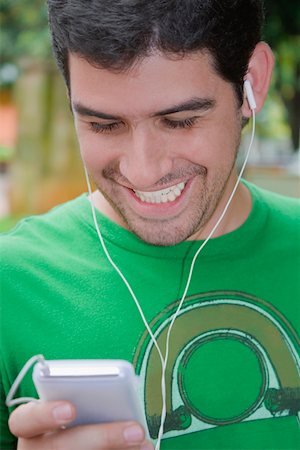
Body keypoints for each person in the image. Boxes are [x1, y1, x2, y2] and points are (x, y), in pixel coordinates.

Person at [1, 0, 299, 449]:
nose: (142, 171)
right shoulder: (11, 283)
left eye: (180, 121)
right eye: (103, 125)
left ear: (251, 83)